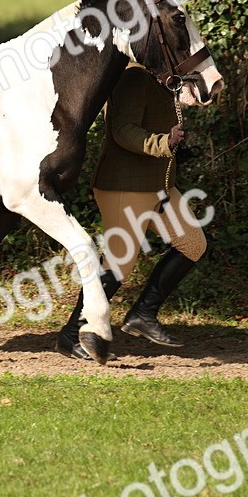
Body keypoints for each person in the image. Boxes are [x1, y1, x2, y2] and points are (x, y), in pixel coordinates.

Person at [56, 61, 208, 360]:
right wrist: (163, 142)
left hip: (160, 186)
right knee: (118, 264)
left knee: (193, 243)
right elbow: (122, 131)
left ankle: (142, 314)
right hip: (124, 186)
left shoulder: (163, 82)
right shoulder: (133, 79)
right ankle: (72, 335)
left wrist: (176, 148)